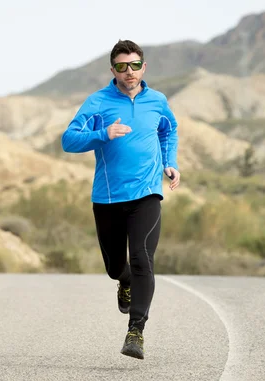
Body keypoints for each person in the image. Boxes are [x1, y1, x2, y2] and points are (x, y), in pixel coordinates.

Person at [61, 39, 180, 360]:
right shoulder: (98, 102)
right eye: (122, 66)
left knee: (143, 257)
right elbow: (68, 140)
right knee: (116, 266)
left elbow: (169, 130)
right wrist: (102, 134)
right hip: (108, 197)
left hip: (147, 194)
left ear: (144, 67)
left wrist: (170, 161)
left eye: (135, 65)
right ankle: (123, 280)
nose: (129, 72)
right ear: (112, 69)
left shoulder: (157, 100)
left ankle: (136, 331)